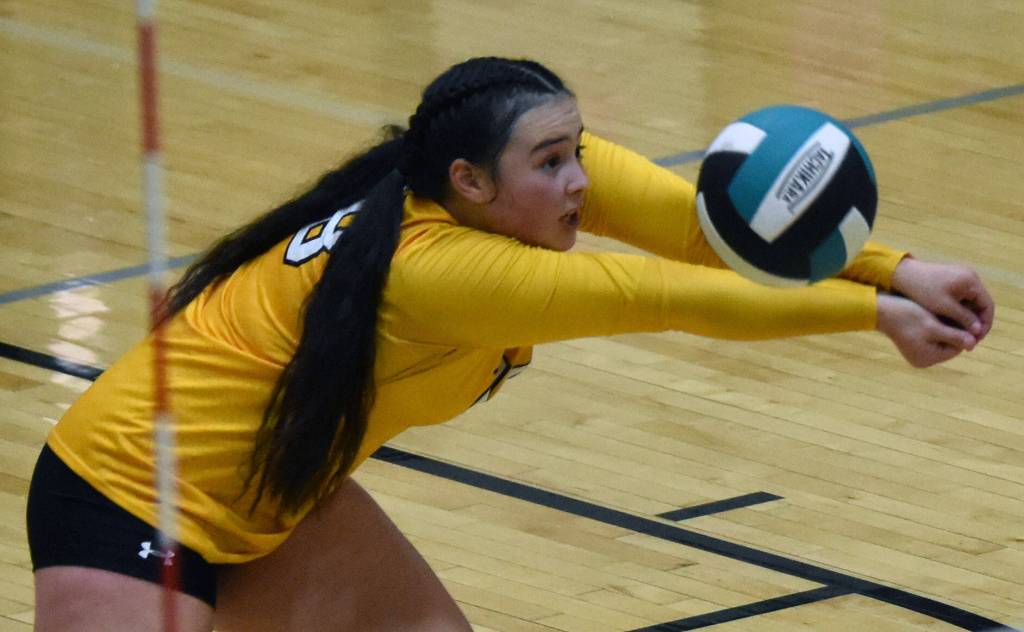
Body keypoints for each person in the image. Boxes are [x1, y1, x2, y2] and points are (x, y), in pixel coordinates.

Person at [26, 56, 994, 632]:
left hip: (275, 486)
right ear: (471, 181)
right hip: (128, 493)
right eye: (553, 162)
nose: (580, 178)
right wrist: (870, 314)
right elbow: (660, 292)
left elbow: (702, 229)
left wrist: (897, 268)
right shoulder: (439, 268)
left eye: (578, 150)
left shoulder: (511, 177)